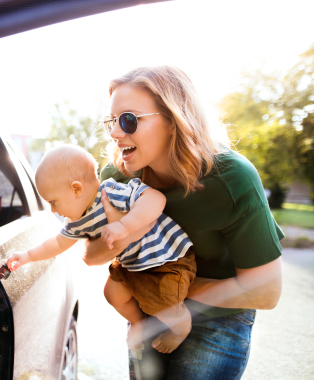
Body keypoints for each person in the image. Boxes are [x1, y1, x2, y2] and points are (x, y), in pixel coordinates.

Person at [84, 65, 283, 379]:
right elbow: (90, 256)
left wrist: (169, 288)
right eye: (111, 121)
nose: (114, 133)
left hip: (219, 318)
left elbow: (266, 291)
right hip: (150, 310)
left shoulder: (231, 179)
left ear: (174, 120)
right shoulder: (117, 177)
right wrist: (114, 242)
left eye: (128, 120)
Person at [6, 144, 196, 353]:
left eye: (53, 202)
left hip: (166, 258)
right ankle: (138, 322)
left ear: (76, 189)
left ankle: (180, 330)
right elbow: (57, 243)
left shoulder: (112, 193)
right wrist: (28, 255)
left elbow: (156, 199)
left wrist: (125, 226)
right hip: (134, 265)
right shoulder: (76, 222)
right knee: (112, 294)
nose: (53, 210)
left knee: (165, 305)